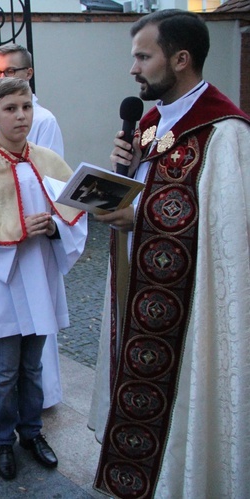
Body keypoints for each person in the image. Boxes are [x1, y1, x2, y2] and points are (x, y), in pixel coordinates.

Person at [88, 10, 250, 498]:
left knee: (184, 407)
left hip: (193, 314)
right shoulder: (150, 123)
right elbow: (150, 194)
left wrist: (141, 217)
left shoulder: (226, 134)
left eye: (143, 56)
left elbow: (230, 236)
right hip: (138, 295)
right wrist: (122, 181)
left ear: (181, 59)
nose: (133, 68)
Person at [0, 77, 87, 480]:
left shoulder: (49, 162)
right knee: (4, 372)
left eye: (26, 107)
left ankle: (32, 432)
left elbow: (76, 213)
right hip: (3, 282)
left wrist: (57, 229)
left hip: (39, 276)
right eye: (10, 109)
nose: (20, 115)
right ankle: (2, 441)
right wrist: (13, 232)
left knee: (33, 367)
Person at [0, 44, 66, 408]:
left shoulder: (44, 121)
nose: (2, 78)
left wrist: (51, 224)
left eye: (9, 71)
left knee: (37, 329)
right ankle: (0, 385)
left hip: (34, 242)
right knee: (2, 337)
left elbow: (53, 181)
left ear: (27, 74)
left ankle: (42, 397)